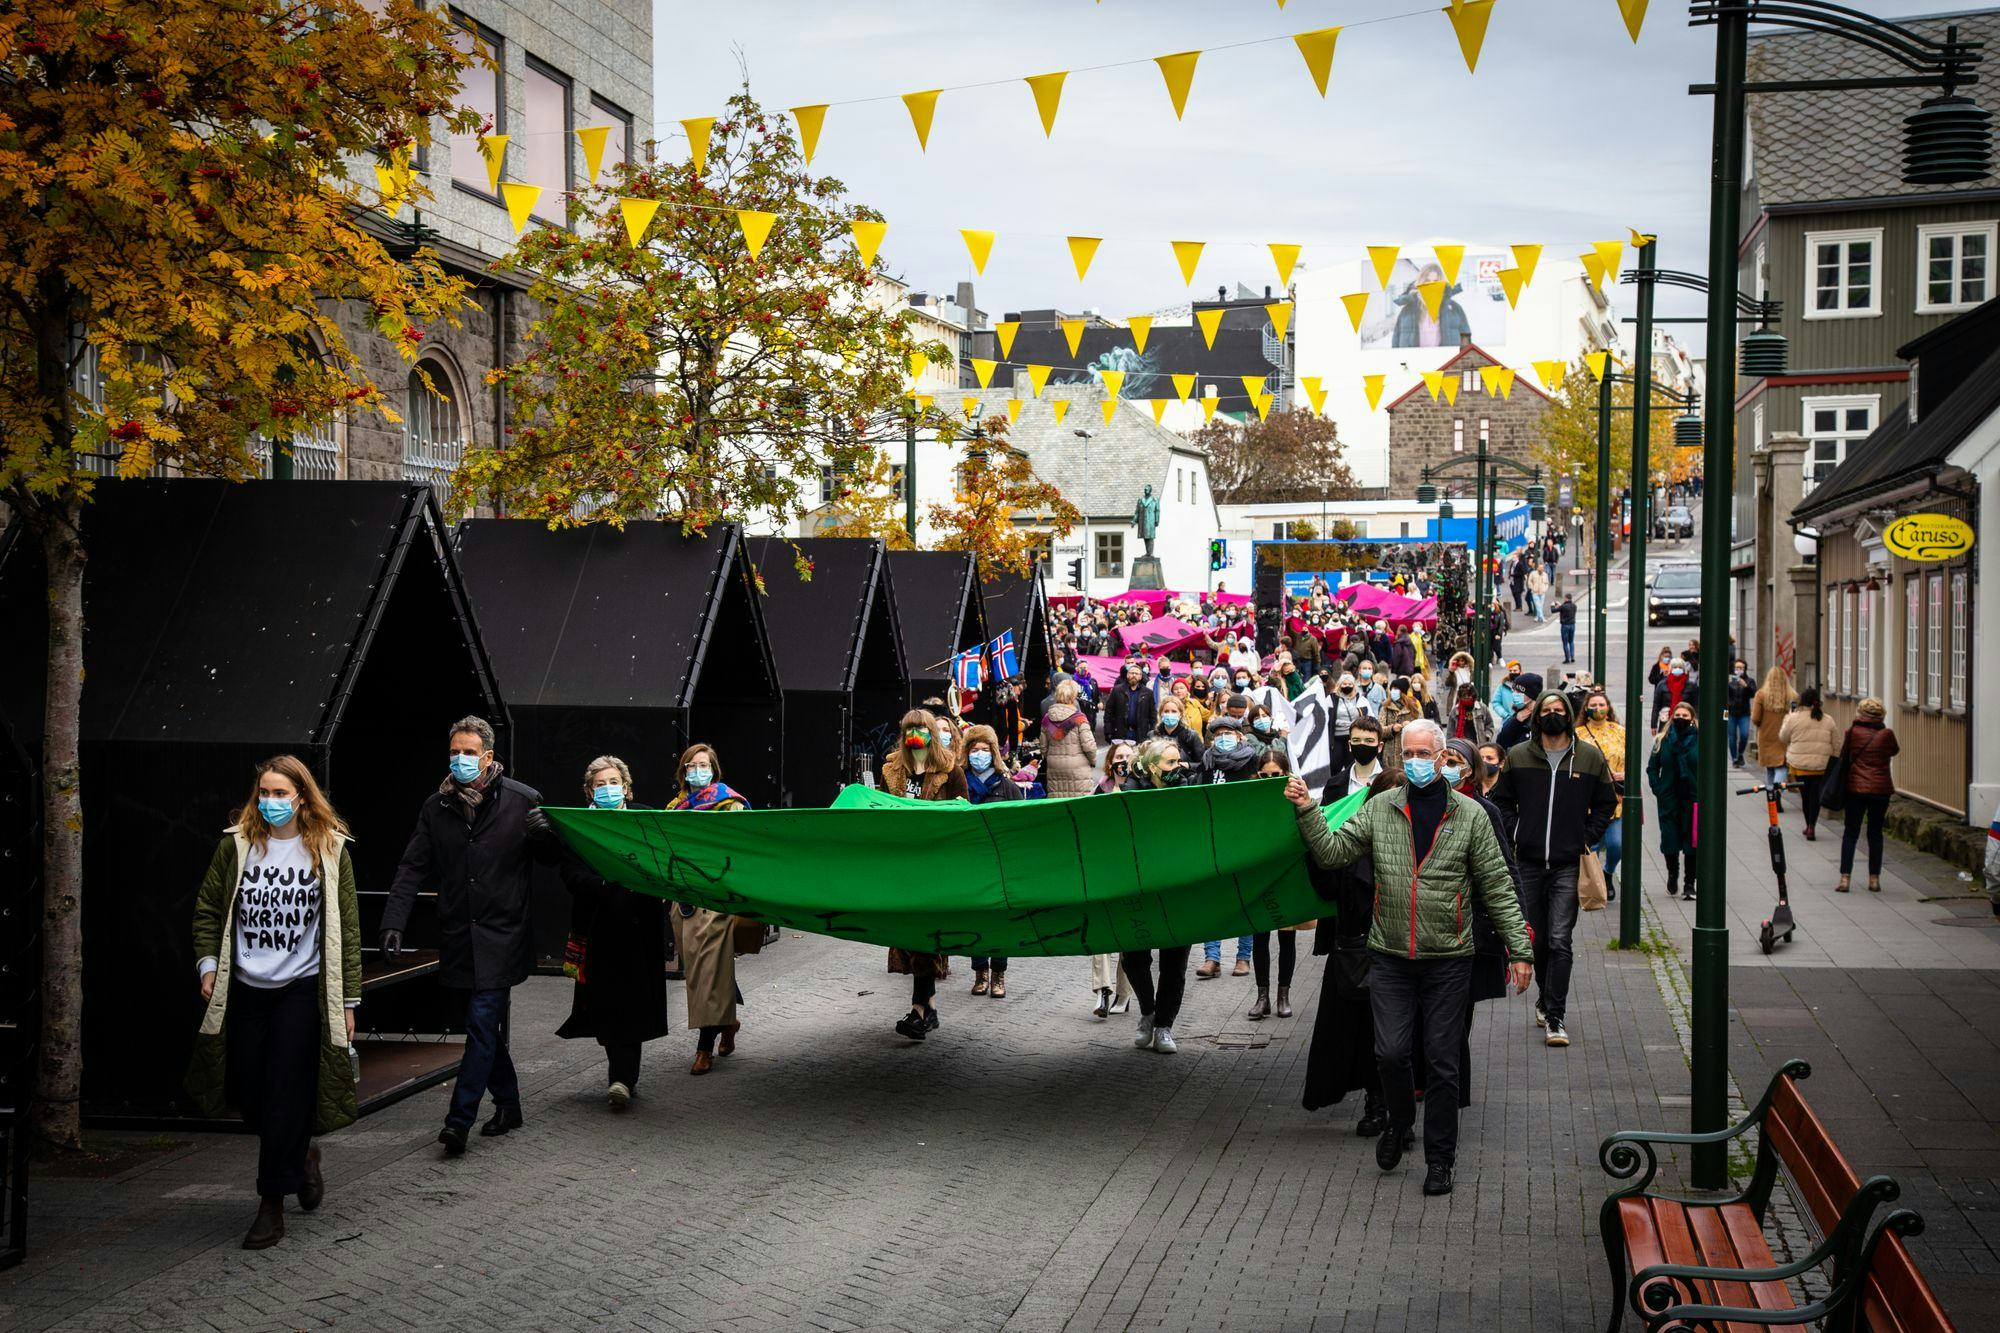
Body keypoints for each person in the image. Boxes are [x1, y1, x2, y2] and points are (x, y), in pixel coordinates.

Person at [1286, 720, 1534, 1196]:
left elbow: (1498, 887)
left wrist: (1519, 949)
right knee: (1391, 1053)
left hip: (1448, 958)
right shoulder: (1381, 806)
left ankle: (1440, 1160)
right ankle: (1399, 1123)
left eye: (1426, 753)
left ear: (1443, 760)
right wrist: (1306, 812)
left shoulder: (1471, 815)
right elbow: (1334, 851)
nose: (1417, 762)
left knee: (1443, 1062)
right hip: (1391, 955)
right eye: (1410, 753)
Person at [188, 756, 361, 1249]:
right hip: (245, 989)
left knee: (285, 1093)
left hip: (301, 993)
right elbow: (207, 908)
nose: (270, 802)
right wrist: (208, 966)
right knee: (248, 1091)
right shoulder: (236, 845)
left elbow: (347, 930)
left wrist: (348, 1003)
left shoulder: (330, 851)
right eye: (264, 792)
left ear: (302, 797)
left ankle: (271, 1204)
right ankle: (302, 1154)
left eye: (281, 794)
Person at [382, 716, 560, 1157]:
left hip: (502, 935)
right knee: (481, 1029)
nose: (460, 759)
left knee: (481, 1024)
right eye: (454, 751)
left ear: (488, 757)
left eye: (468, 752)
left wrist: (548, 837)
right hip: (459, 935)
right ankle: (510, 1103)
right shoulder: (436, 807)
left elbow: (553, 861)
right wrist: (393, 921)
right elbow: (411, 867)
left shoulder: (522, 801)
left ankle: (459, 1121)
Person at [1487, 688, 1617, 1050]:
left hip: (1565, 864)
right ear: (1539, 714)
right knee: (1538, 939)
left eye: (1561, 709)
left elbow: (1606, 803)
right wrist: (1516, 833)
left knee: (1561, 940)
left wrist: (1585, 837)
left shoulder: (1589, 757)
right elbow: (1502, 801)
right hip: (1527, 862)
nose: (1554, 714)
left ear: (1569, 715)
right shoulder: (1518, 756)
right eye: (1547, 709)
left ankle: (1555, 1014)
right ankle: (1545, 997)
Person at [556, 755, 670, 1108]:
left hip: (639, 930)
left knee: (633, 1001)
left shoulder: (646, 817)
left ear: (627, 786)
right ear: (589, 790)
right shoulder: (580, 825)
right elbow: (570, 872)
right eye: (600, 783)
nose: (607, 788)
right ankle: (619, 1072)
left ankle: (623, 1077)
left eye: (613, 782)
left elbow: (663, 860)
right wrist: (605, 885)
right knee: (604, 1001)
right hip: (598, 928)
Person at [1301, 717, 1395, 1130]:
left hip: (1389, 924)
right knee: (1349, 1012)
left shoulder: (1394, 782)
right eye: (1354, 740)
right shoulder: (1337, 786)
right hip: (1350, 918)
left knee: (1385, 1019)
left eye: (1368, 741)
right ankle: (1363, 1093)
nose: (1360, 746)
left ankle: (1384, 1100)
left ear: (1380, 744)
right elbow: (1323, 844)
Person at [663, 745, 751, 1074]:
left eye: (703, 765)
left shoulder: (730, 803)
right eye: (691, 765)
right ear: (683, 772)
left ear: (713, 768)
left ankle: (704, 1048)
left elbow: (743, 843)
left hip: (716, 897)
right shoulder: (674, 807)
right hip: (683, 898)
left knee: (710, 969)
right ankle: (728, 1023)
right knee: (700, 971)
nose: (697, 770)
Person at [883, 710, 967, 1038]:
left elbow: (963, 816)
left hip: (936, 867)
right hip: (904, 866)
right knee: (913, 935)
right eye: (909, 729)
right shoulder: (891, 771)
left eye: (921, 729)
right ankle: (928, 1007)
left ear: (931, 732)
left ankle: (918, 1011)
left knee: (925, 935)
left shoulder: (951, 772)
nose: (915, 734)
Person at [1120, 739, 1194, 1052]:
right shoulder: (1128, 794)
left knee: (1174, 964)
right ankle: (1148, 1013)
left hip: (1178, 889)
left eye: (1179, 762)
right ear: (1152, 767)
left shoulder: (1189, 792)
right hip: (1140, 889)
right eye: (1169, 763)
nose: (1177, 768)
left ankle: (1164, 1026)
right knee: (1134, 958)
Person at [1195, 716, 1262, 978]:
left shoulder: (1252, 761)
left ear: (1239, 736)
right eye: (1219, 733)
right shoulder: (1207, 761)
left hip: (1243, 840)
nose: (1223, 737)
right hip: (1213, 838)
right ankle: (1212, 958)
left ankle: (1243, 957)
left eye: (1228, 732)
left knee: (1245, 900)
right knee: (1213, 900)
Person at [960, 725, 1020, 997]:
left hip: (1000, 862)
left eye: (985, 750)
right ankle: (980, 972)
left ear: (994, 753)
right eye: (975, 750)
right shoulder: (959, 783)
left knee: (1001, 921)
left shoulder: (1007, 786)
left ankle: (999, 974)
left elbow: (1021, 822)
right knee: (975, 920)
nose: (980, 755)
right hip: (971, 861)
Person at [1247, 750, 1306, 1021]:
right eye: (1265, 774)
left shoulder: (1297, 796)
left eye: (1276, 775)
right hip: (1260, 877)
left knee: (1287, 936)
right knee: (1260, 937)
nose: (1270, 779)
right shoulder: (1250, 797)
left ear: (1286, 774)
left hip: (1286, 876)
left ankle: (1283, 996)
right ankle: (1263, 997)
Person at [1837, 698, 1899, 894]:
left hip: (1856, 789)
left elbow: (1844, 756)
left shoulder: (1852, 732)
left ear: (1860, 713)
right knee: (1875, 834)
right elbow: (1894, 751)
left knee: (1851, 833)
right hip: (1880, 790)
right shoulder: (1887, 734)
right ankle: (1874, 879)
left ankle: (1845, 879)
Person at [1574, 690, 1628, 892]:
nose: (1598, 709)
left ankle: (1608, 872)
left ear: (1608, 708)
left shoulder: (1620, 731)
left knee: (1616, 844)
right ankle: (1593, 884)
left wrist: (1624, 774)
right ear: (1586, 708)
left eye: (1601, 705)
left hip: (1615, 797)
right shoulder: (1578, 734)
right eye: (1593, 705)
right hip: (1586, 797)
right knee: (1591, 845)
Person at [1648, 700, 1701, 898]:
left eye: (1684, 716)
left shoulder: (1701, 741)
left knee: (1692, 842)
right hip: (1669, 798)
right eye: (1677, 716)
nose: (1680, 719)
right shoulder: (1663, 740)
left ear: (1692, 719)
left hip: (1693, 798)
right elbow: (1652, 768)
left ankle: (1689, 883)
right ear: (1672, 718)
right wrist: (1658, 789)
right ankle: (1673, 872)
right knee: (1669, 840)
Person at [1779, 686, 1839, 842]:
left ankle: (1808, 825)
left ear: (1801, 702)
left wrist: (1788, 718)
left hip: (1800, 765)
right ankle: (1812, 825)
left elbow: (1783, 738)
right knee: (1815, 796)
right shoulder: (1828, 720)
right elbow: (1836, 744)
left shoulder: (1794, 718)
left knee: (1805, 796)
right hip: (1821, 765)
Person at [1040, 678, 1099, 798]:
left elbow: (1043, 747)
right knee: (1079, 804)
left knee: (1057, 801)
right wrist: (1092, 761)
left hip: (1054, 767)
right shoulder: (1080, 718)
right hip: (1078, 769)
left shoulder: (1047, 719)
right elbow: (1089, 746)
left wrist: (1052, 759)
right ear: (1073, 697)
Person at [1750, 666, 1796, 802]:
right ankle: (1777, 793)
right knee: (1782, 766)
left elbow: (1755, 718)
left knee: (1770, 768)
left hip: (1766, 735)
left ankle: (1772, 795)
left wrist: (1762, 725)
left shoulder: (1761, 694)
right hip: (1785, 736)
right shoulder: (1792, 695)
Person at [1103, 660, 1158, 744]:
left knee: (1138, 757)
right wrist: (1108, 730)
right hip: (1120, 733)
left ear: (1140, 676)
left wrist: (1152, 731)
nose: (1134, 675)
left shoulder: (1148, 693)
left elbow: (1153, 715)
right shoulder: (1117, 690)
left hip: (1140, 734)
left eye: (1137, 674)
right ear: (1127, 675)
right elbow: (1108, 712)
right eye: (1132, 673)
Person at [1650, 655, 1697, 732]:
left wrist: (1695, 722)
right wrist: (1653, 724)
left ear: (1684, 669)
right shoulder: (1662, 684)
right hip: (1666, 721)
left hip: (1686, 721)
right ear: (1671, 669)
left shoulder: (1691, 686)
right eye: (1675, 667)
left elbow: (1695, 706)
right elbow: (1656, 705)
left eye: (1680, 667)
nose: (1677, 669)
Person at [1724, 658, 1756, 768]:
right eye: (1737, 667)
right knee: (1731, 736)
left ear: (1745, 669)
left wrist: (1745, 686)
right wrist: (1726, 684)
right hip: (1729, 712)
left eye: (1741, 668)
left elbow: (1753, 694)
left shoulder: (1749, 680)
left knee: (1744, 734)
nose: (1739, 670)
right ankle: (1734, 758)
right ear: (1734, 669)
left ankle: (1741, 753)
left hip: (1744, 713)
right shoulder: (1729, 680)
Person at [1556, 594, 1578, 664]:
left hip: (1565, 625)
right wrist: (1561, 605)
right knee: (1571, 641)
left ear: (1566, 598)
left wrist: (1553, 605)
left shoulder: (1563, 606)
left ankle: (1567, 659)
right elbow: (1564, 608)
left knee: (1565, 643)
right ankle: (1572, 657)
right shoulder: (1574, 606)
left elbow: (1553, 610)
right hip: (1572, 625)